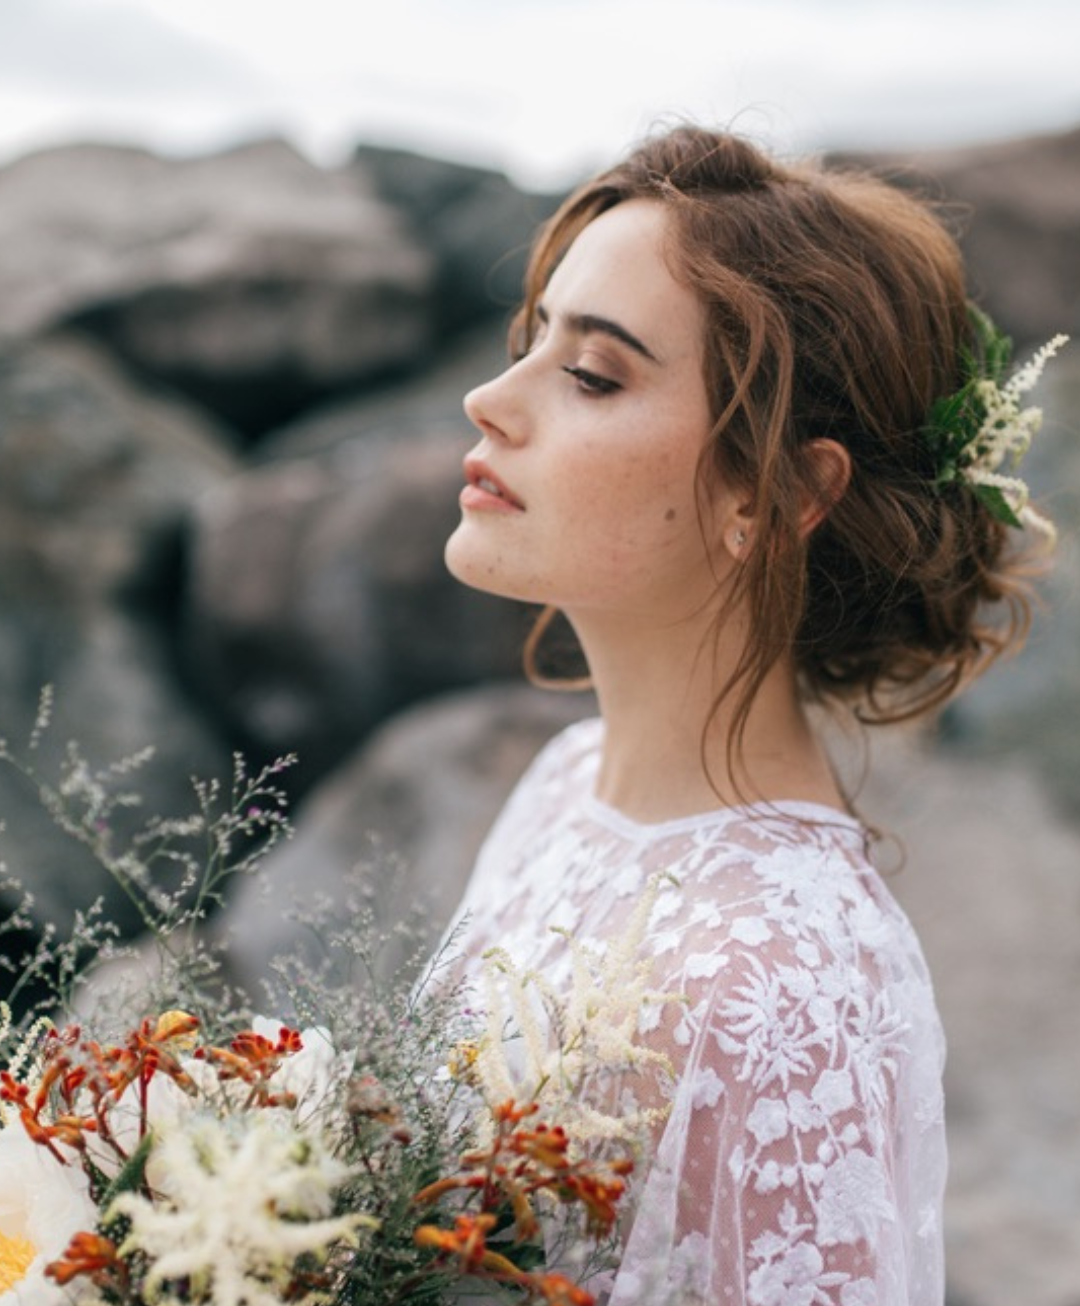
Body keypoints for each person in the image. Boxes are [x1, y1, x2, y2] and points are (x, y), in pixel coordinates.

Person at [440, 125, 1063, 1306]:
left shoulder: (786, 979)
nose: (487, 399)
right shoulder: (567, 781)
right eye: (530, 344)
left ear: (778, 492)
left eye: (592, 375)